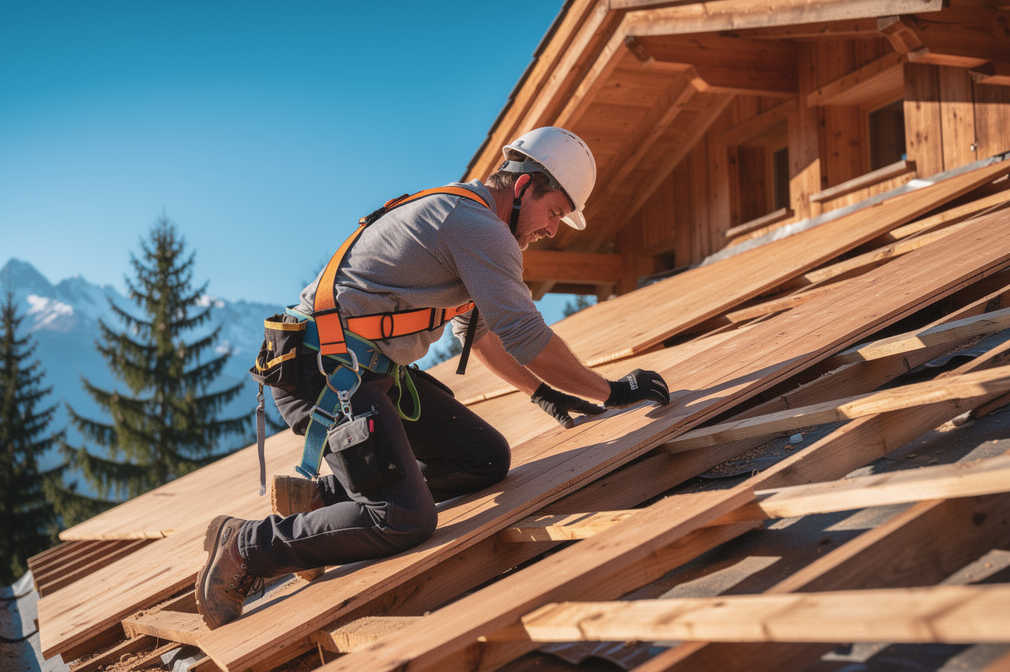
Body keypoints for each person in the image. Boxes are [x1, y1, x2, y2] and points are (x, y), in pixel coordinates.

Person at [196, 127, 671, 629]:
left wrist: (542, 391)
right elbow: (525, 334)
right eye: (554, 212)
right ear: (526, 187)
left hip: (365, 370)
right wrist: (614, 391)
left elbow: (482, 335)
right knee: (404, 519)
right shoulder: (476, 226)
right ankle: (245, 547)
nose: (553, 230)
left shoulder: (475, 221)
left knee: (484, 457)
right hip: (324, 374)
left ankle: (323, 500)